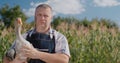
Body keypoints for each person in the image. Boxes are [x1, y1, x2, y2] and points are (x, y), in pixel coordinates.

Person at [3, 4, 70, 63]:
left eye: (46, 16)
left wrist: (37, 54)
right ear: (35, 16)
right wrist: (16, 61)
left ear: (51, 18)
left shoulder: (59, 38)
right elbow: (6, 59)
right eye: (39, 15)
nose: (42, 18)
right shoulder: (24, 37)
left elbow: (64, 60)